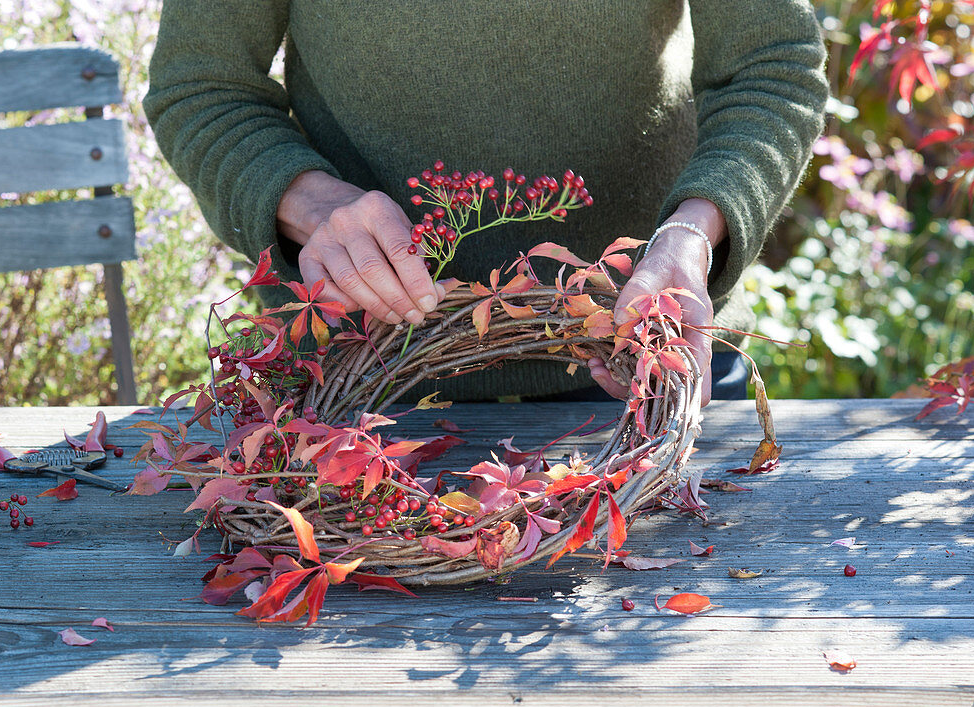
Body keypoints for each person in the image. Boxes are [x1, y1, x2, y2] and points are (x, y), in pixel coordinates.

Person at [145, 1, 828, 406]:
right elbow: (201, 87)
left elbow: (773, 68)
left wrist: (694, 233)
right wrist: (313, 203)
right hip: (358, 389)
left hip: (638, 366)